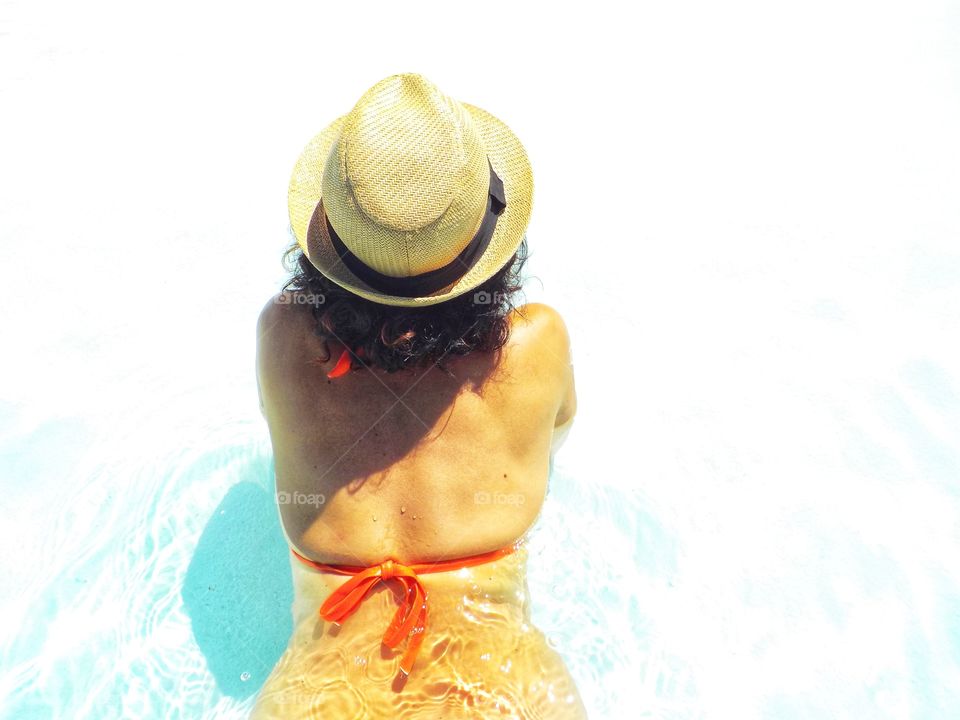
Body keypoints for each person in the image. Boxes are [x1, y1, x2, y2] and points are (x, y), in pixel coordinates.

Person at [253, 73, 585, 719]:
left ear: (329, 239)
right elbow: (555, 438)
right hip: (503, 688)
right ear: (491, 239)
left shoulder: (284, 333)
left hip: (319, 692)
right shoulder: (537, 343)